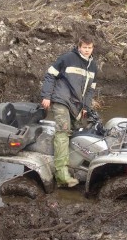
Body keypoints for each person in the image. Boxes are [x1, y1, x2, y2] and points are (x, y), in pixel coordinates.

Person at [41, 35, 98, 187]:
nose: (87, 50)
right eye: (84, 47)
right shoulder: (67, 58)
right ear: (79, 47)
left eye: (89, 47)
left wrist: (86, 107)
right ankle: (61, 176)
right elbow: (50, 75)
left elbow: (90, 91)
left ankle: (68, 164)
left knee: (74, 131)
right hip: (61, 99)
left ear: (92, 48)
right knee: (63, 132)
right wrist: (47, 96)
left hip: (76, 105)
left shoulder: (93, 66)